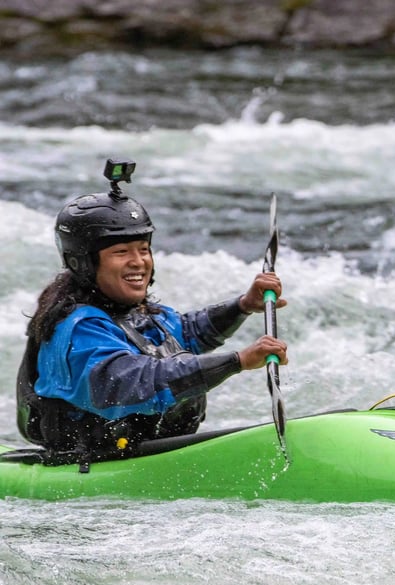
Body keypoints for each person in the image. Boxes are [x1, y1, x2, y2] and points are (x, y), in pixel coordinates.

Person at [15, 160, 289, 464]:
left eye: (143, 249)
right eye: (121, 252)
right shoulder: (77, 328)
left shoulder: (134, 312)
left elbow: (186, 333)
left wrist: (242, 306)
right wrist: (237, 361)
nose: (138, 262)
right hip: (93, 462)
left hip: (136, 453)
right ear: (83, 262)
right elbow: (138, 382)